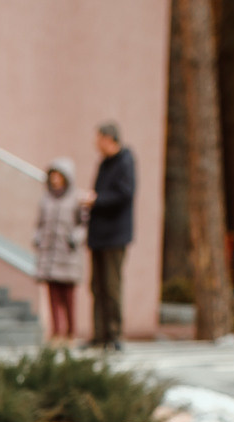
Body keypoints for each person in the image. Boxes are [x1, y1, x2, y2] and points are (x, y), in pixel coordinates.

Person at [82, 123, 136, 351]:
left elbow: (124, 194)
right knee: (97, 286)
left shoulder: (125, 161)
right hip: (98, 235)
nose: (96, 144)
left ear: (109, 139)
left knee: (112, 287)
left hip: (115, 236)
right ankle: (99, 335)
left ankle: (114, 335)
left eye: (98, 139)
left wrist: (97, 200)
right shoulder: (104, 163)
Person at [35, 158, 86, 343]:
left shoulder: (75, 200)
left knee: (69, 297)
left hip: (68, 254)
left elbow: (82, 224)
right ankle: (56, 333)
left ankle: (71, 333)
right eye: (53, 176)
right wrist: (38, 238)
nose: (55, 180)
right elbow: (39, 224)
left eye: (59, 176)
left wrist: (75, 239)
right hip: (50, 255)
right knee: (53, 296)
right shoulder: (45, 199)